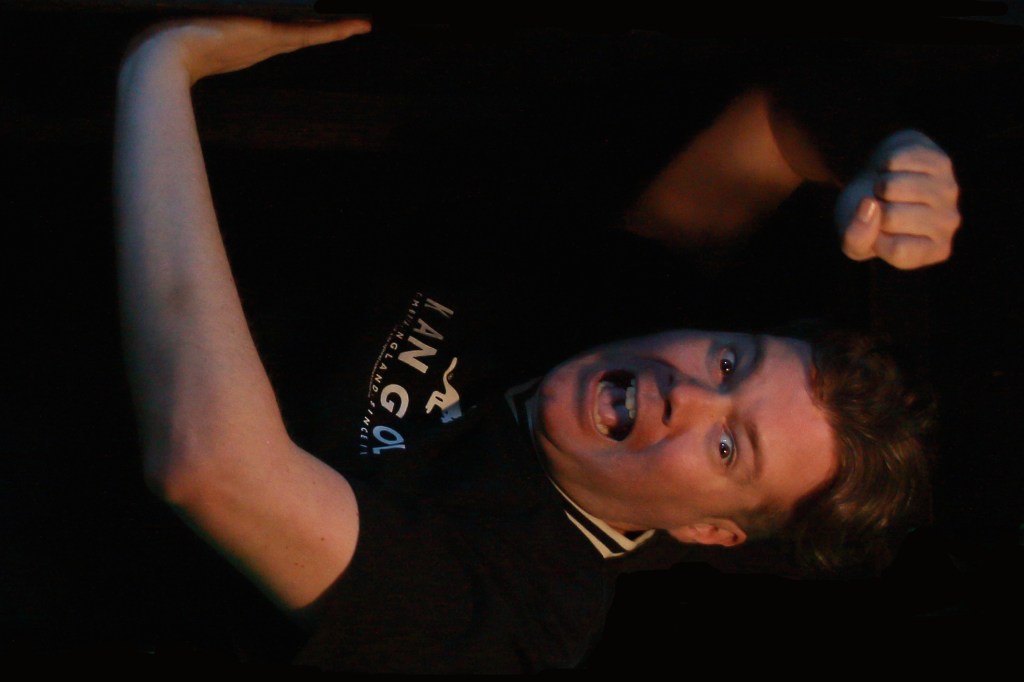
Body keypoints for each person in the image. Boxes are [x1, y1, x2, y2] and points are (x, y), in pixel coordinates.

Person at [114, 17, 958, 671]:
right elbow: (777, 123)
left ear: (710, 531)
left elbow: (209, 467)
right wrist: (888, 153)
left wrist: (160, 66)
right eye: (729, 362)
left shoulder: (522, 608)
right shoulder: (629, 307)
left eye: (730, 447)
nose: (688, 394)